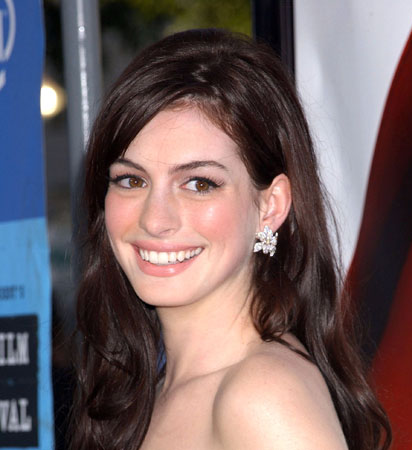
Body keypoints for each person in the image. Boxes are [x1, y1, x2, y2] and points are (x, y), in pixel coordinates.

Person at [69, 28, 391, 449]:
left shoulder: (261, 395)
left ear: (271, 206)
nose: (155, 219)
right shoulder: (151, 387)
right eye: (132, 180)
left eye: (199, 184)